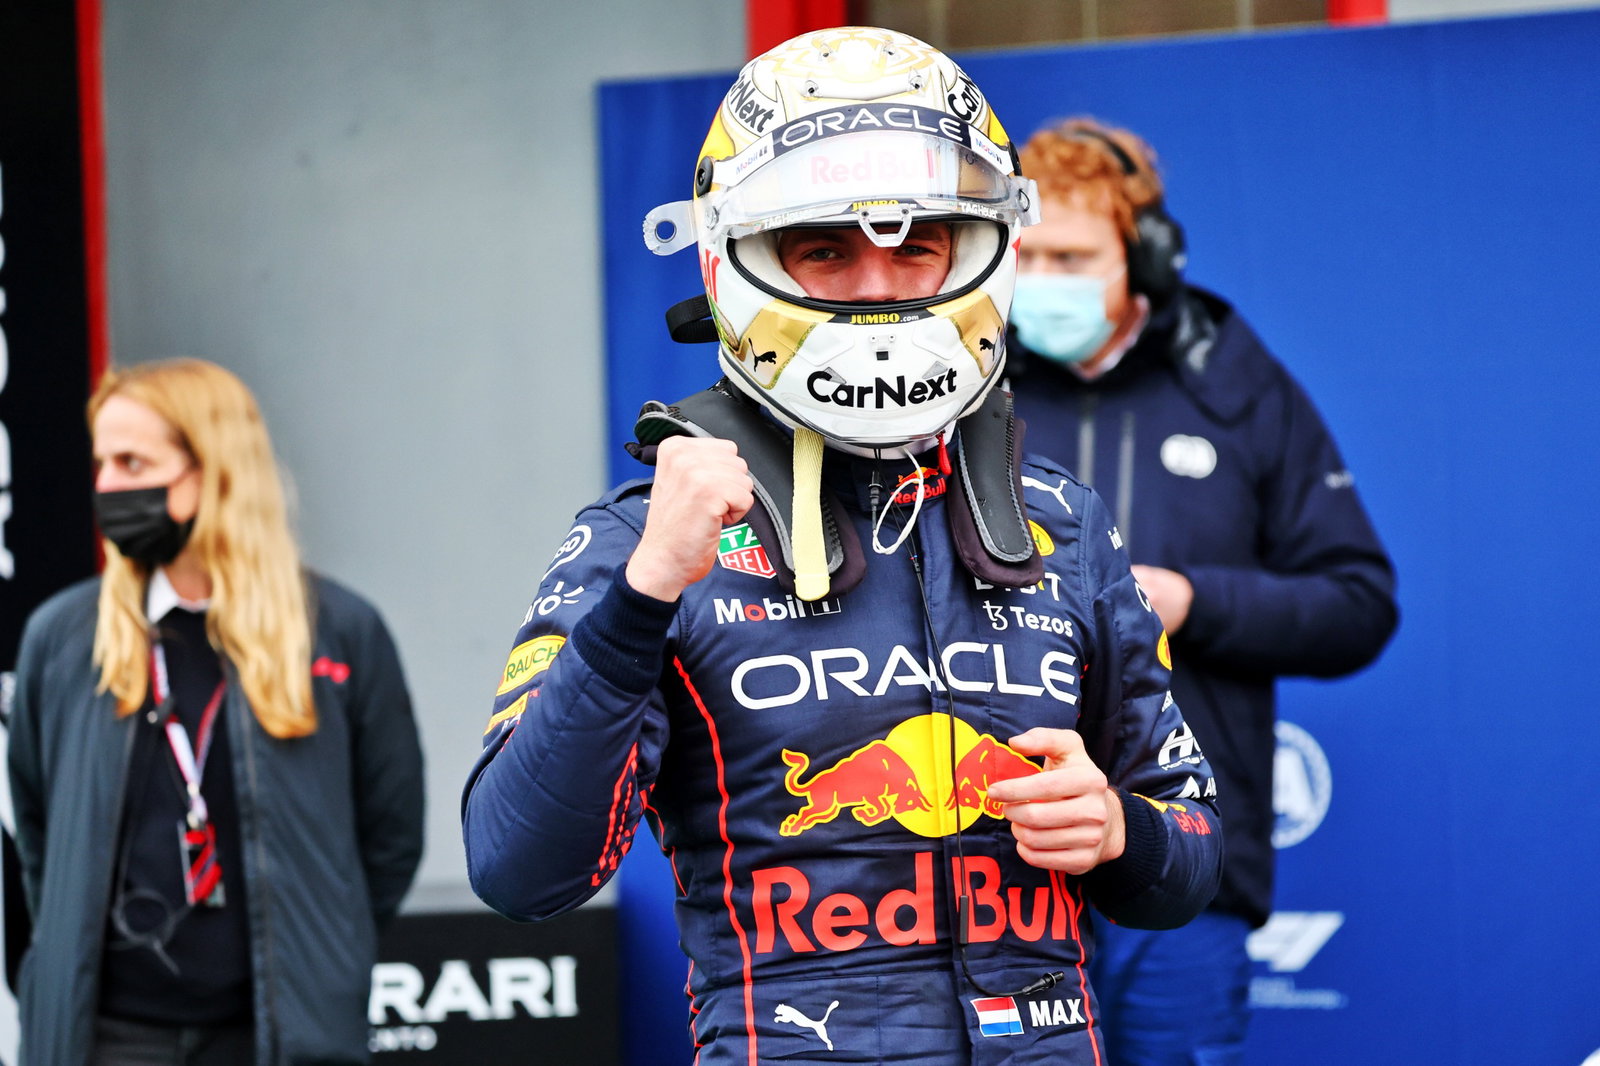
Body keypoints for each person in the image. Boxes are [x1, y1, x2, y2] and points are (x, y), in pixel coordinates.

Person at [462, 28, 1223, 1065]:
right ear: (729, 262)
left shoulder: (1064, 521)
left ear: (981, 250)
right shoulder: (645, 538)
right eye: (824, 249)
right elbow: (518, 871)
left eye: (917, 246)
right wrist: (641, 596)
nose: (876, 286)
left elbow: (1190, 857)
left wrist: (1119, 828)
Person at [1006, 118, 1399, 1065]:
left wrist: (1191, 603)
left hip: (1180, 853)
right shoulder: (964, 393)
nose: (1043, 278)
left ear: (1145, 256)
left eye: (1072, 257)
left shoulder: (1236, 387)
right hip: (995, 854)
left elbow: (1357, 603)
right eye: (1027, 255)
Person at [8, 358, 426, 1066]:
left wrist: (325, 952)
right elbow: (39, 839)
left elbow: (390, 836)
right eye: (102, 464)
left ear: (214, 472)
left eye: (133, 462)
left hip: (273, 1039)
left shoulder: (340, 632)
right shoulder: (63, 637)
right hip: (107, 1040)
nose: (107, 486)